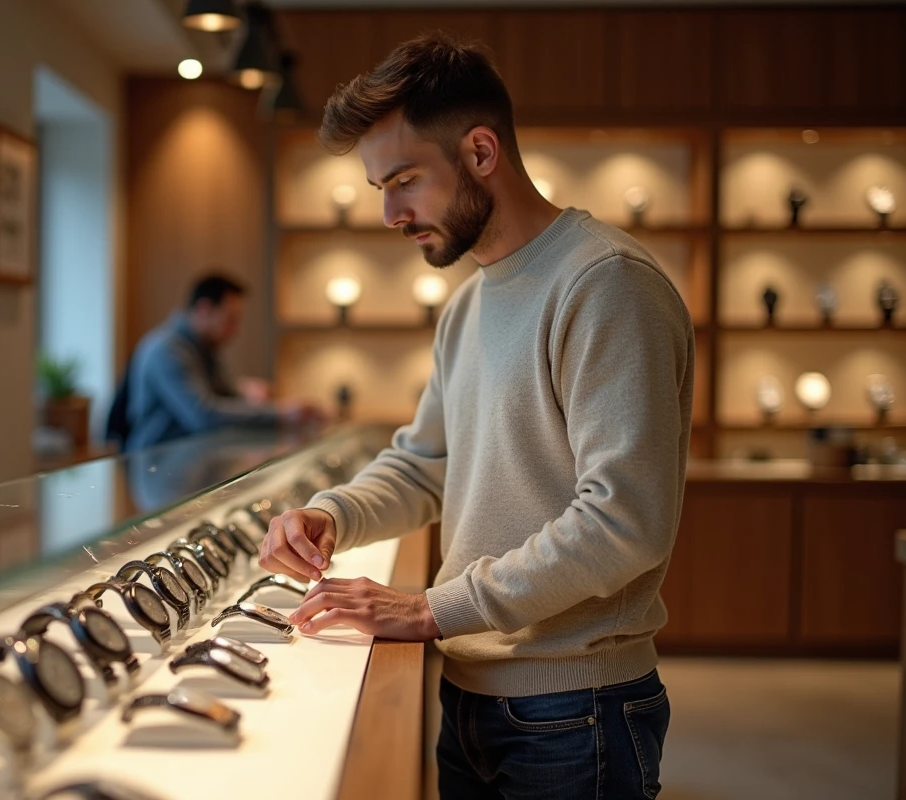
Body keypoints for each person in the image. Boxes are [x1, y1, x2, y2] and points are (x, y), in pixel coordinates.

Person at [257, 33, 693, 800]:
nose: (390, 213)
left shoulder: (605, 283)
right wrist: (333, 514)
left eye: (403, 181)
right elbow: (426, 461)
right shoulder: (468, 304)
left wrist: (432, 608)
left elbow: (625, 519)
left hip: (576, 708)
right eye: (378, 189)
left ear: (481, 152)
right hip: (471, 690)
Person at [114, 273, 319, 453]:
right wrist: (280, 413)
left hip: (186, 467)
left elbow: (223, 394)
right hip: (159, 472)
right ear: (204, 309)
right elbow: (203, 415)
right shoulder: (166, 350)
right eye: (231, 320)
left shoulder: (201, 348)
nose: (235, 330)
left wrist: (244, 391)